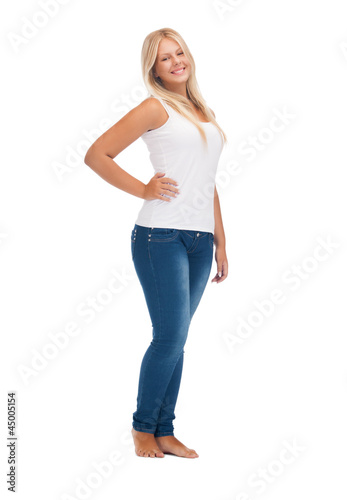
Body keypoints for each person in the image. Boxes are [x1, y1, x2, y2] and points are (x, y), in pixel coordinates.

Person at [84, 27, 228, 459]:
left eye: (179, 52)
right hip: (159, 236)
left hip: (200, 240)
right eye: (165, 58)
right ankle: (143, 426)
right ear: (155, 69)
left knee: (177, 337)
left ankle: (165, 430)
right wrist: (143, 190)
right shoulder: (154, 107)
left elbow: (209, 182)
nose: (176, 61)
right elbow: (96, 155)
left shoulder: (202, 111)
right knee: (168, 337)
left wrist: (221, 241)